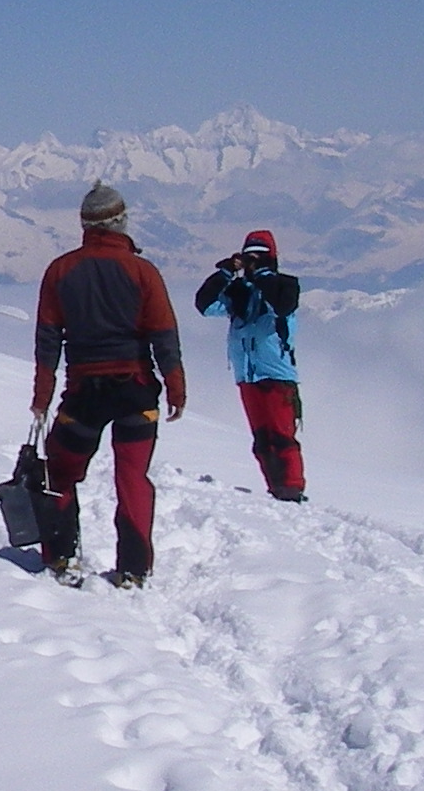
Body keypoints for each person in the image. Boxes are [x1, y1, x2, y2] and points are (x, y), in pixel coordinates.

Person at [30, 181, 186, 588]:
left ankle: (62, 557)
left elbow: (48, 340)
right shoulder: (142, 271)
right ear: (121, 221)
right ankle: (133, 569)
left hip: (84, 393)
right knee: (132, 477)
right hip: (136, 389)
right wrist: (175, 386)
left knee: (60, 471)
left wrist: (42, 398)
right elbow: (164, 335)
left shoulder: (60, 270)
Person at [195, 228, 306, 501]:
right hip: (248, 374)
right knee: (262, 439)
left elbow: (282, 305)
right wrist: (224, 274)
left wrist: (262, 275)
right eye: (248, 257)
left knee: (282, 436)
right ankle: (276, 487)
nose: (252, 262)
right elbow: (205, 305)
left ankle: (291, 489)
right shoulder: (240, 293)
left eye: (258, 257)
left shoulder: (285, 286)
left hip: (276, 373)